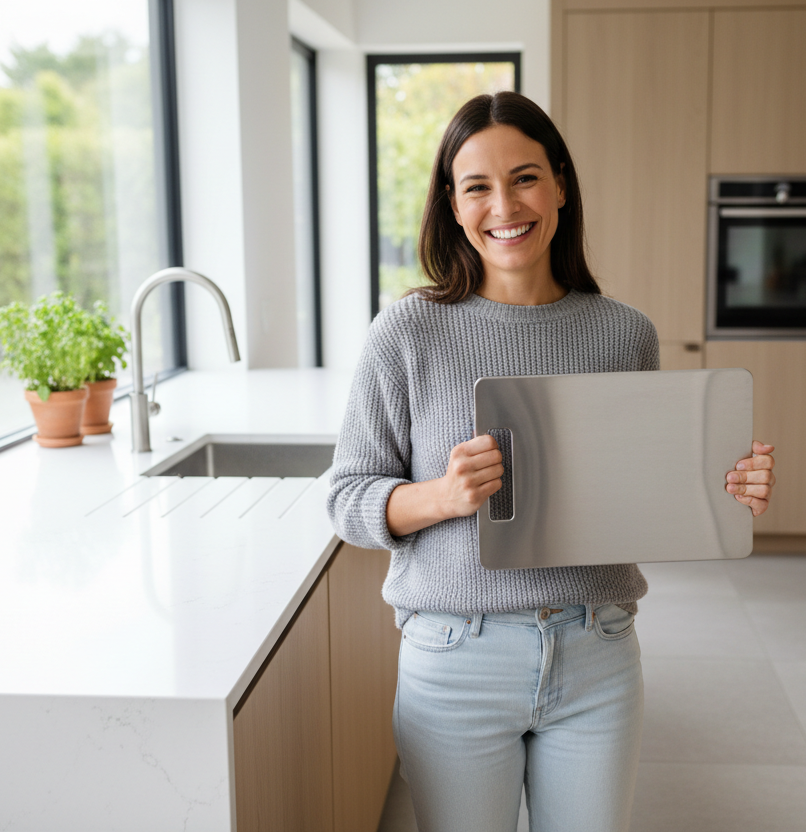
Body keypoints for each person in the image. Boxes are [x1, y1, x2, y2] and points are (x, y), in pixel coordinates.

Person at [327, 91, 776, 832]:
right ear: (454, 203)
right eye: (478, 186)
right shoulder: (407, 332)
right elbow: (347, 497)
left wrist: (725, 487)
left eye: (526, 177)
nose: (505, 204)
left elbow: (642, 488)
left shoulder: (624, 335)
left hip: (596, 650)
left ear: (561, 185)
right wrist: (441, 496)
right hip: (454, 656)